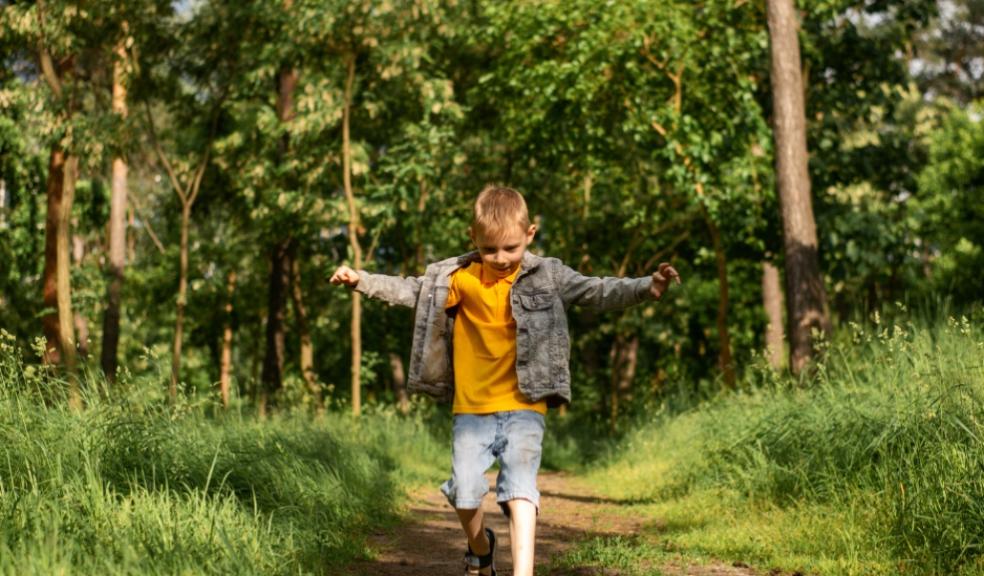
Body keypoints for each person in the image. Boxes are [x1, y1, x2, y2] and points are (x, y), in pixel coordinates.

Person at [329, 185, 680, 576]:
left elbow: (596, 290)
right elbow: (411, 290)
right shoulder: (459, 278)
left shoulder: (549, 275)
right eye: (489, 249)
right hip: (471, 409)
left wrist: (647, 287)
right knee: (464, 493)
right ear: (473, 239)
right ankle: (481, 549)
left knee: (520, 490)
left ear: (530, 234)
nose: (500, 258)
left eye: (511, 248)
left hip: (525, 403)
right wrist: (361, 280)